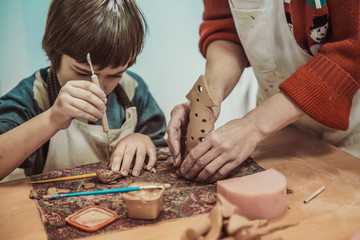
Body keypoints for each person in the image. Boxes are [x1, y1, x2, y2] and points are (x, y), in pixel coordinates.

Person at [167, 0, 360, 183]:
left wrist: (253, 125)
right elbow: (226, 29)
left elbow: (351, 53)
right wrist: (209, 95)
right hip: (280, 129)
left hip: (352, 128)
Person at [0, 0, 167, 180]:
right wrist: (51, 119)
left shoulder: (133, 90)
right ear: (54, 55)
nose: (99, 89)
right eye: (83, 72)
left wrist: (142, 139)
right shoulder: (34, 95)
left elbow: (159, 149)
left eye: (115, 75)